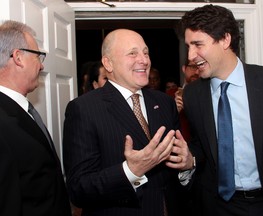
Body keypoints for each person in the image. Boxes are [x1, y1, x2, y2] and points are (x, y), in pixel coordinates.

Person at [62, 28, 194, 216]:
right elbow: (79, 189)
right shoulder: (84, 109)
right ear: (108, 63)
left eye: (146, 52)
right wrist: (131, 171)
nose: (144, 60)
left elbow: (173, 173)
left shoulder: (164, 102)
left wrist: (187, 166)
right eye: (132, 53)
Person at [178, 4, 263, 216]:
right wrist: (190, 158)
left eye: (198, 44)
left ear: (225, 40)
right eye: (188, 46)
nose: (191, 55)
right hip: (218, 206)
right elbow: (203, 147)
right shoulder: (192, 95)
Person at [0, 20, 71, 216]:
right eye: (38, 56)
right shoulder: (3, 121)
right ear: (18, 57)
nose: (41, 66)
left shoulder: (22, 109)